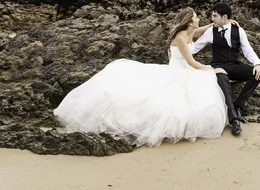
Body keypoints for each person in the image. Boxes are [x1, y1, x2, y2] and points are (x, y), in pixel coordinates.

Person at [53, 8, 229, 147]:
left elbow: (200, 30)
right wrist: (210, 69)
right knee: (178, 98)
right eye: (196, 17)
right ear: (190, 21)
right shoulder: (181, 37)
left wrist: (220, 23)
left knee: (201, 88)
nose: (199, 19)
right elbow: (191, 62)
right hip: (177, 72)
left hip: (183, 71)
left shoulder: (190, 31)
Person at [193, 2, 260, 136]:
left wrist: (257, 64)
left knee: (256, 75)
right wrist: (179, 50)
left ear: (224, 17)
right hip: (218, 66)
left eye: (214, 16)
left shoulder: (239, 30)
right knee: (223, 80)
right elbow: (195, 48)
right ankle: (234, 120)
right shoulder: (210, 31)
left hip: (235, 65)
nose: (212, 19)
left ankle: (238, 106)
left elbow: (248, 50)